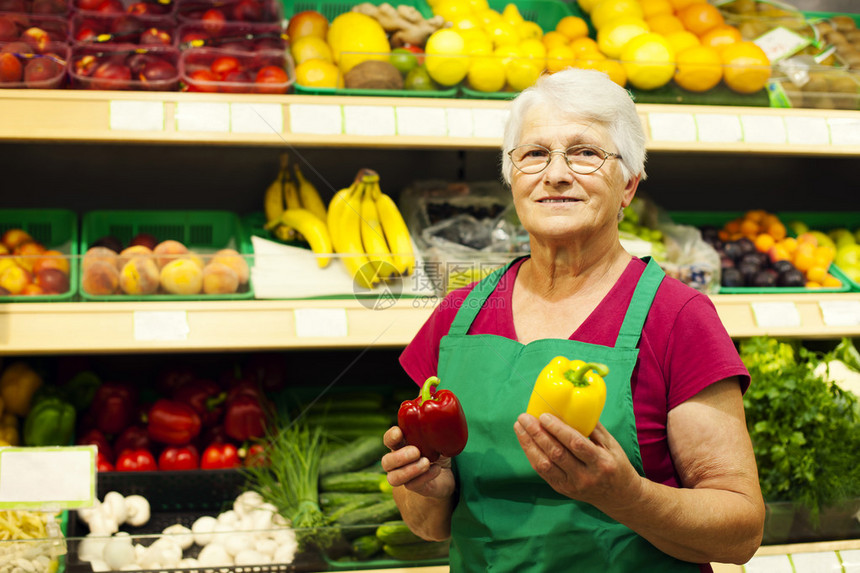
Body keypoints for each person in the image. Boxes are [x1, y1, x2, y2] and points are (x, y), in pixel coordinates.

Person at [381, 68, 765, 573]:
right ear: (513, 179)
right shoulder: (459, 315)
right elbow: (430, 526)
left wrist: (628, 497)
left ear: (628, 185)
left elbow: (740, 533)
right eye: (534, 154)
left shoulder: (677, 318)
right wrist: (427, 488)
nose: (556, 174)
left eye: (585, 153)